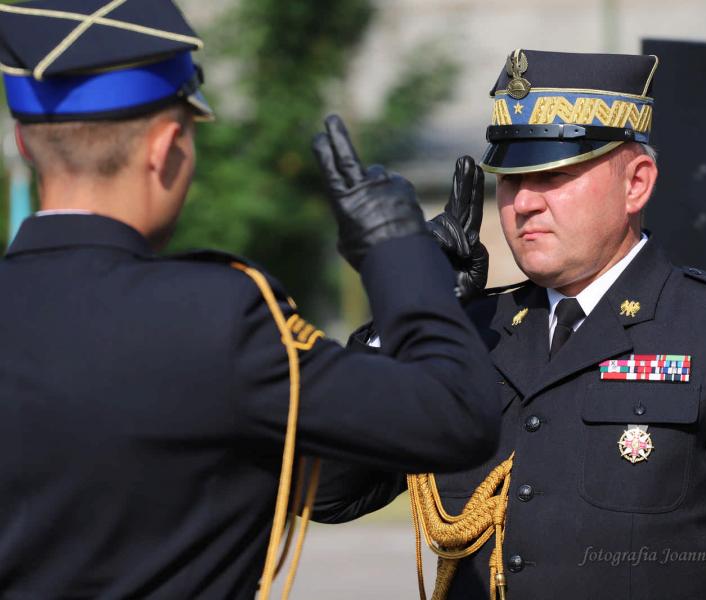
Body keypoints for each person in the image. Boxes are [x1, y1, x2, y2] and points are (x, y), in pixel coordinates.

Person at [0, 2, 501, 597]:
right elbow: (455, 417)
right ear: (166, 147)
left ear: (25, 143)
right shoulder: (216, 319)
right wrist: (400, 254)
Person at [313, 49, 706, 599]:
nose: (524, 203)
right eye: (511, 179)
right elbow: (326, 491)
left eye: (553, 175)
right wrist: (407, 308)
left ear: (636, 184)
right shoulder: (464, 330)